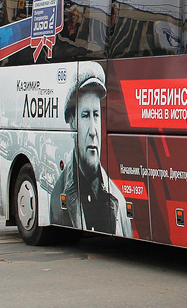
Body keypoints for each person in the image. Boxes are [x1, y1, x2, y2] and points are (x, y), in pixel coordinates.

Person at [50, 62, 131, 236]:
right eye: (85, 116)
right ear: (72, 122)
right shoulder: (58, 194)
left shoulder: (118, 199)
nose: (93, 131)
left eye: (96, 115)